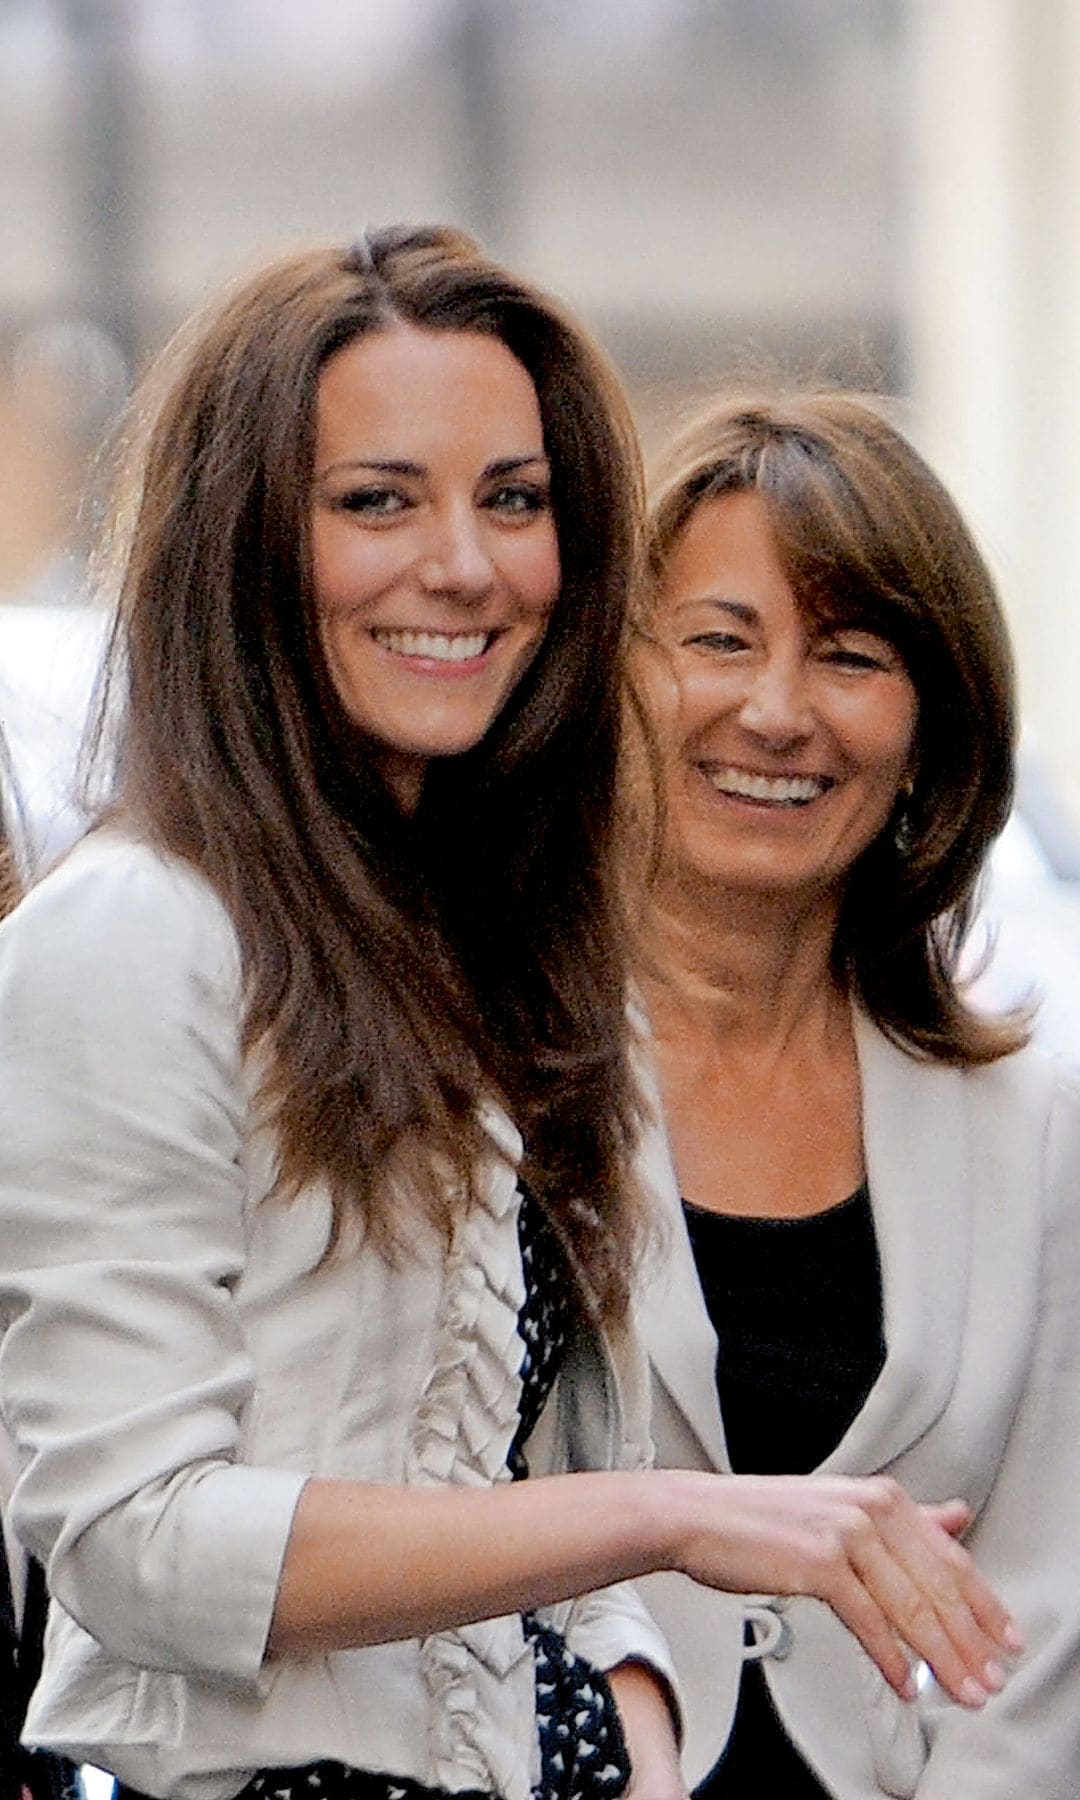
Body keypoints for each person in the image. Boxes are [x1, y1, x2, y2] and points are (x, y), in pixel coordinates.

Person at [0, 237, 1018, 1800]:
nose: (466, 563)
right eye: (378, 500)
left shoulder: (478, 939)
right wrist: (672, 1519)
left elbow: (511, 1455)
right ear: (245, 541)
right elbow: (134, 1543)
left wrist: (627, 1705)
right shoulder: (136, 935)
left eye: (516, 499)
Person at [631, 390, 1080, 1798]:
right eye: (717, 640)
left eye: (851, 655)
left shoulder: (1036, 1127)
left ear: (929, 729)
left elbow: (1044, 1625)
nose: (776, 712)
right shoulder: (471, 1084)